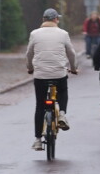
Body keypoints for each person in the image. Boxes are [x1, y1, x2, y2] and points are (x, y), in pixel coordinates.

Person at [26, 8, 78, 151]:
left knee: (40, 106)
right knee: (62, 90)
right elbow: (71, 53)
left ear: (43, 20)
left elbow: (29, 53)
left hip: (40, 75)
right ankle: (62, 113)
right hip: (59, 73)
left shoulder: (34, 34)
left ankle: (37, 140)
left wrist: (30, 68)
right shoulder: (63, 34)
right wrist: (73, 68)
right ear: (56, 19)